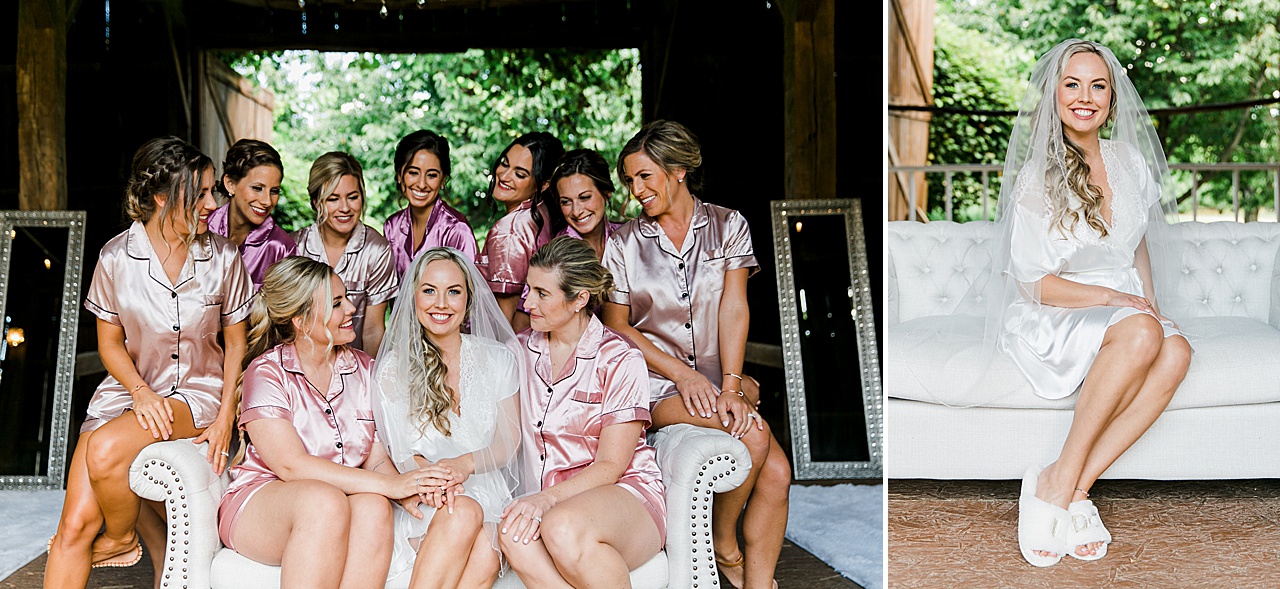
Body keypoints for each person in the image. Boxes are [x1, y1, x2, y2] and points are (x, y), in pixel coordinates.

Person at [984, 40, 1191, 566]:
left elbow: (1137, 242)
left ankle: (1069, 483)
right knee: (1143, 333)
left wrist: (1149, 302)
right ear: (1054, 94)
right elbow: (1034, 282)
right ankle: (1059, 492)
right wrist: (1112, 298)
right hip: (1060, 309)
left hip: (1120, 305)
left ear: (1112, 98)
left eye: (1097, 85)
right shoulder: (1038, 176)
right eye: (1071, 84)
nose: (1084, 96)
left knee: (1177, 349)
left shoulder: (1128, 159)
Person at [45, 136, 251, 588]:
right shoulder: (116, 256)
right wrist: (139, 391)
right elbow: (110, 343)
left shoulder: (225, 257)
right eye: (199, 194)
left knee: (103, 449)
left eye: (212, 191)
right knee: (74, 528)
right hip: (128, 391)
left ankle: (119, 539)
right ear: (162, 197)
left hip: (197, 391)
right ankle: (124, 539)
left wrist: (226, 417)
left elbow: (237, 343)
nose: (212, 204)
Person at [601, 120, 788, 589]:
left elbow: (734, 307)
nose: (636, 190)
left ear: (679, 169)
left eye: (645, 176)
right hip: (656, 382)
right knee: (755, 438)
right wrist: (684, 376)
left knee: (779, 475)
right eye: (629, 179)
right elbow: (617, 327)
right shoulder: (623, 242)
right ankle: (725, 546)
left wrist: (730, 383)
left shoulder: (729, 225)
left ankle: (759, 584)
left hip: (715, 378)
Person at [217, 256, 442, 589]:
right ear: (300, 319)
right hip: (265, 501)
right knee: (325, 501)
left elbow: (376, 458)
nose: (352, 308)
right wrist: (390, 486)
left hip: (339, 499)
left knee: (374, 505)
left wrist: (404, 489)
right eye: (337, 303)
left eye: (346, 297)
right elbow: (291, 466)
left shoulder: (365, 369)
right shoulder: (266, 372)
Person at [500, 236, 665, 588]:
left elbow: (612, 465)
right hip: (552, 500)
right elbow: (504, 437)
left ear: (579, 300)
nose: (527, 302)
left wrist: (545, 500)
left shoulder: (620, 358)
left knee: (560, 525)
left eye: (542, 294)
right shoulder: (517, 352)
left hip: (625, 493)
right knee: (512, 533)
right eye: (529, 289)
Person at [372, 247, 523, 588]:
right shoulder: (394, 370)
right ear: (413, 298)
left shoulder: (499, 360)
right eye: (429, 291)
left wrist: (463, 466)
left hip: (489, 493)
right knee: (464, 512)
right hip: (430, 498)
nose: (441, 303)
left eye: (453, 291)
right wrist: (439, 484)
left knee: (489, 540)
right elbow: (404, 456)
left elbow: (508, 443)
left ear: (468, 301)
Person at [292, 151, 398, 355]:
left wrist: (370, 382)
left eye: (352, 197)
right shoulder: (294, 247)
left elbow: (373, 330)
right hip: (304, 366)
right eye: (333, 199)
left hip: (355, 368)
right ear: (315, 201)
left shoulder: (377, 250)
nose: (345, 208)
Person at [477, 132, 565, 332]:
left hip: (514, 347)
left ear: (543, 184)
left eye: (520, 173)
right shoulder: (544, 214)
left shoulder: (509, 231)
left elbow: (503, 320)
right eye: (505, 163)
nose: (504, 176)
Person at [382, 131, 479, 279]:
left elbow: (471, 292)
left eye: (432, 175)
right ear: (399, 176)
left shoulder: (457, 229)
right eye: (413, 173)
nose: (421, 184)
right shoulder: (392, 226)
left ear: (443, 180)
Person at [208, 138, 297, 290]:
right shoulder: (200, 227)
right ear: (230, 184)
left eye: (274, 191)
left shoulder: (281, 248)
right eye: (257, 188)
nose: (267, 201)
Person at [549, 149, 623, 260]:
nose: (576, 211)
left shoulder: (627, 237)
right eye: (566, 201)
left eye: (584, 197)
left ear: (607, 193)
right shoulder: (555, 256)